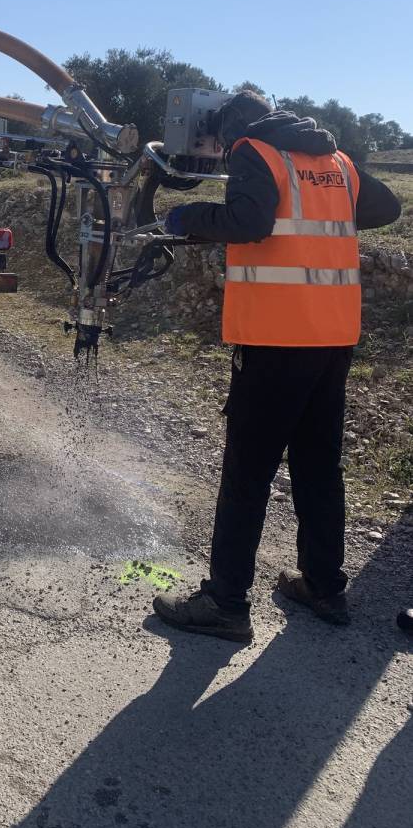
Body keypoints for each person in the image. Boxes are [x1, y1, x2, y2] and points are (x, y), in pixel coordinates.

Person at [152, 91, 401, 643]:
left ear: (230, 131)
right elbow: (387, 208)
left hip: (275, 341)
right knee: (318, 468)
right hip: (333, 339)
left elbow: (251, 220)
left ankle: (225, 602)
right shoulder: (331, 161)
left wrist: (185, 214)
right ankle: (323, 587)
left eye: (219, 143)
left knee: (248, 474)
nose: (221, 153)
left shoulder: (253, 150)